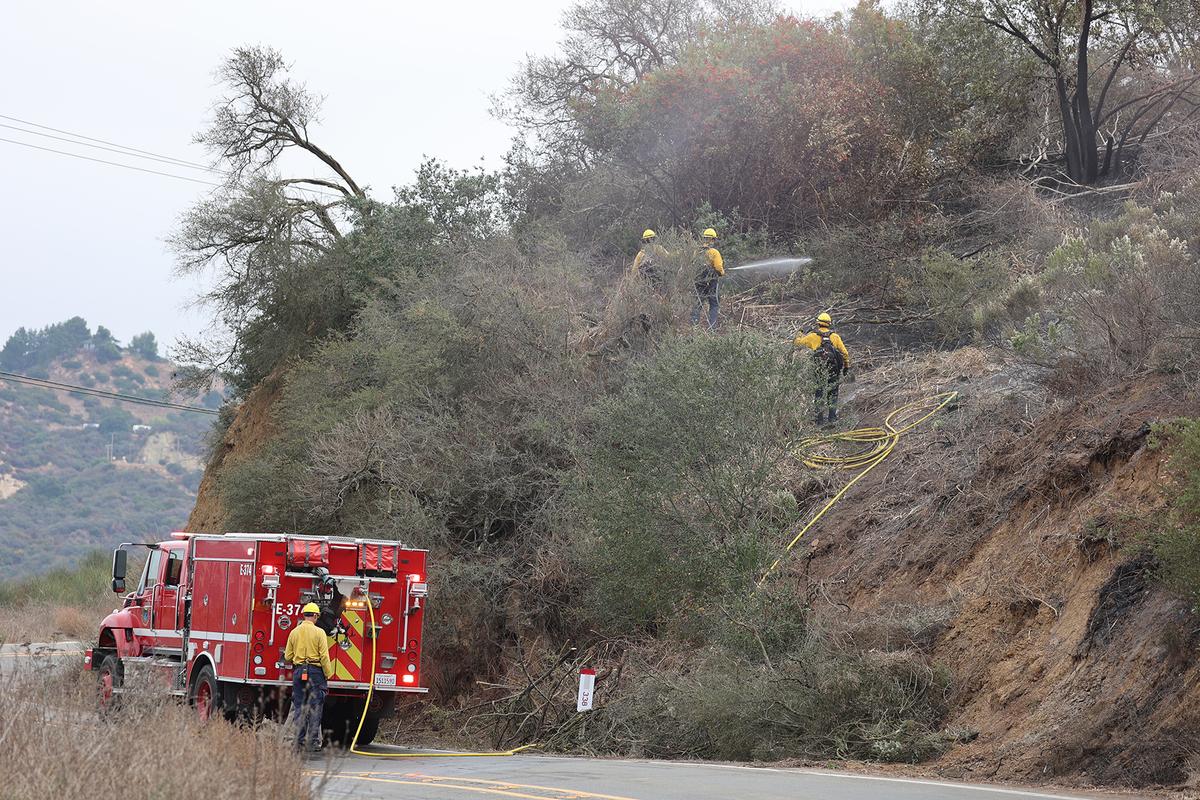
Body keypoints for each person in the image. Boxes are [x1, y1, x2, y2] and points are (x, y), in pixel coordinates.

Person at [284, 601, 333, 752]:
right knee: (315, 706)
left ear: (304, 615)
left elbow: (287, 656)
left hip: (299, 672)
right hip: (316, 673)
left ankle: (298, 741)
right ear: (316, 616)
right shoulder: (320, 633)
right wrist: (328, 673)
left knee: (299, 706)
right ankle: (312, 742)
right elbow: (324, 656)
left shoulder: (294, 632)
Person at [794, 312, 851, 424]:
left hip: (819, 368)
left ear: (818, 323)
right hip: (833, 369)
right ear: (829, 324)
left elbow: (797, 343)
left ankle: (819, 420)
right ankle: (832, 419)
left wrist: (800, 332)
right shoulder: (835, 337)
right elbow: (845, 353)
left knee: (819, 393)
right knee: (833, 393)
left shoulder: (812, 336)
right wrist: (846, 367)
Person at [691, 228, 725, 330]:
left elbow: (692, 265)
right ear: (712, 240)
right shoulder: (714, 252)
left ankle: (694, 327)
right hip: (711, 282)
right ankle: (712, 328)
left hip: (698, 280)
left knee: (697, 303)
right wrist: (722, 272)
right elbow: (718, 267)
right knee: (714, 304)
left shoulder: (696, 251)